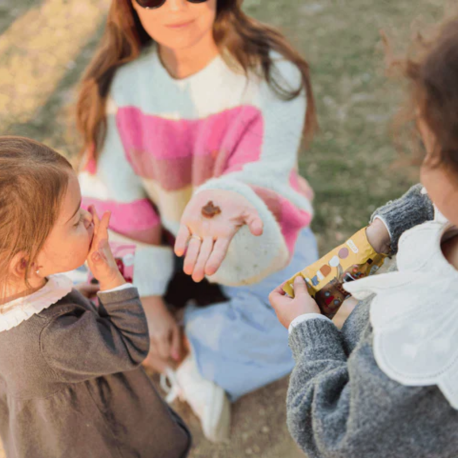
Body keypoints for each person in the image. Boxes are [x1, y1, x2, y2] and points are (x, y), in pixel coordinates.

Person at [76, 0, 318, 441]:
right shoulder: (124, 86)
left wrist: (231, 199)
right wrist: (145, 299)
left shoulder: (272, 72)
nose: (175, 5)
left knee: (308, 310)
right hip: (156, 242)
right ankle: (163, 332)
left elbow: (266, 172)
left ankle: (182, 354)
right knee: (68, 270)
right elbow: (113, 198)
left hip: (251, 231)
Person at [269, 17, 458, 458]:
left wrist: (309, 330)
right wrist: (382, 234)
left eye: (432, 152)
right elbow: (436, 200)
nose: (423, 172)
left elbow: (337, 432)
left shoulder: (430, 342)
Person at [0, 137, 191, 458]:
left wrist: (81, 300)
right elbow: (130, 345)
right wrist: (111, 278)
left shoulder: (17, 297)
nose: (90, 219)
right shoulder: (48, 341)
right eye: (75, 221)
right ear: (27, 263)